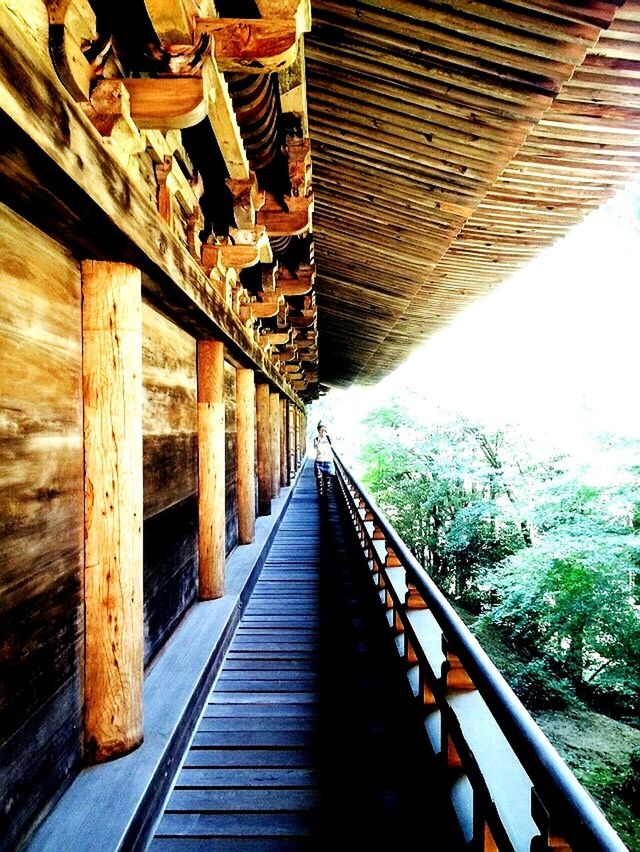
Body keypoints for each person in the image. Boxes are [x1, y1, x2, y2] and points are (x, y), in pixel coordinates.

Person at [313, 421, 335, 497]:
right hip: (319, 461)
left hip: (328, 461)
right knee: (319, 479)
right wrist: (320, 439)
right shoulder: (316, 439)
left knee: (327, 481)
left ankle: (326, 494)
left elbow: (333, 446)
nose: (322, 432)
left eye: (324, 430)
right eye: (320, 430)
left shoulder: (329, 439)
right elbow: (316, 447)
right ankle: (320, 494)